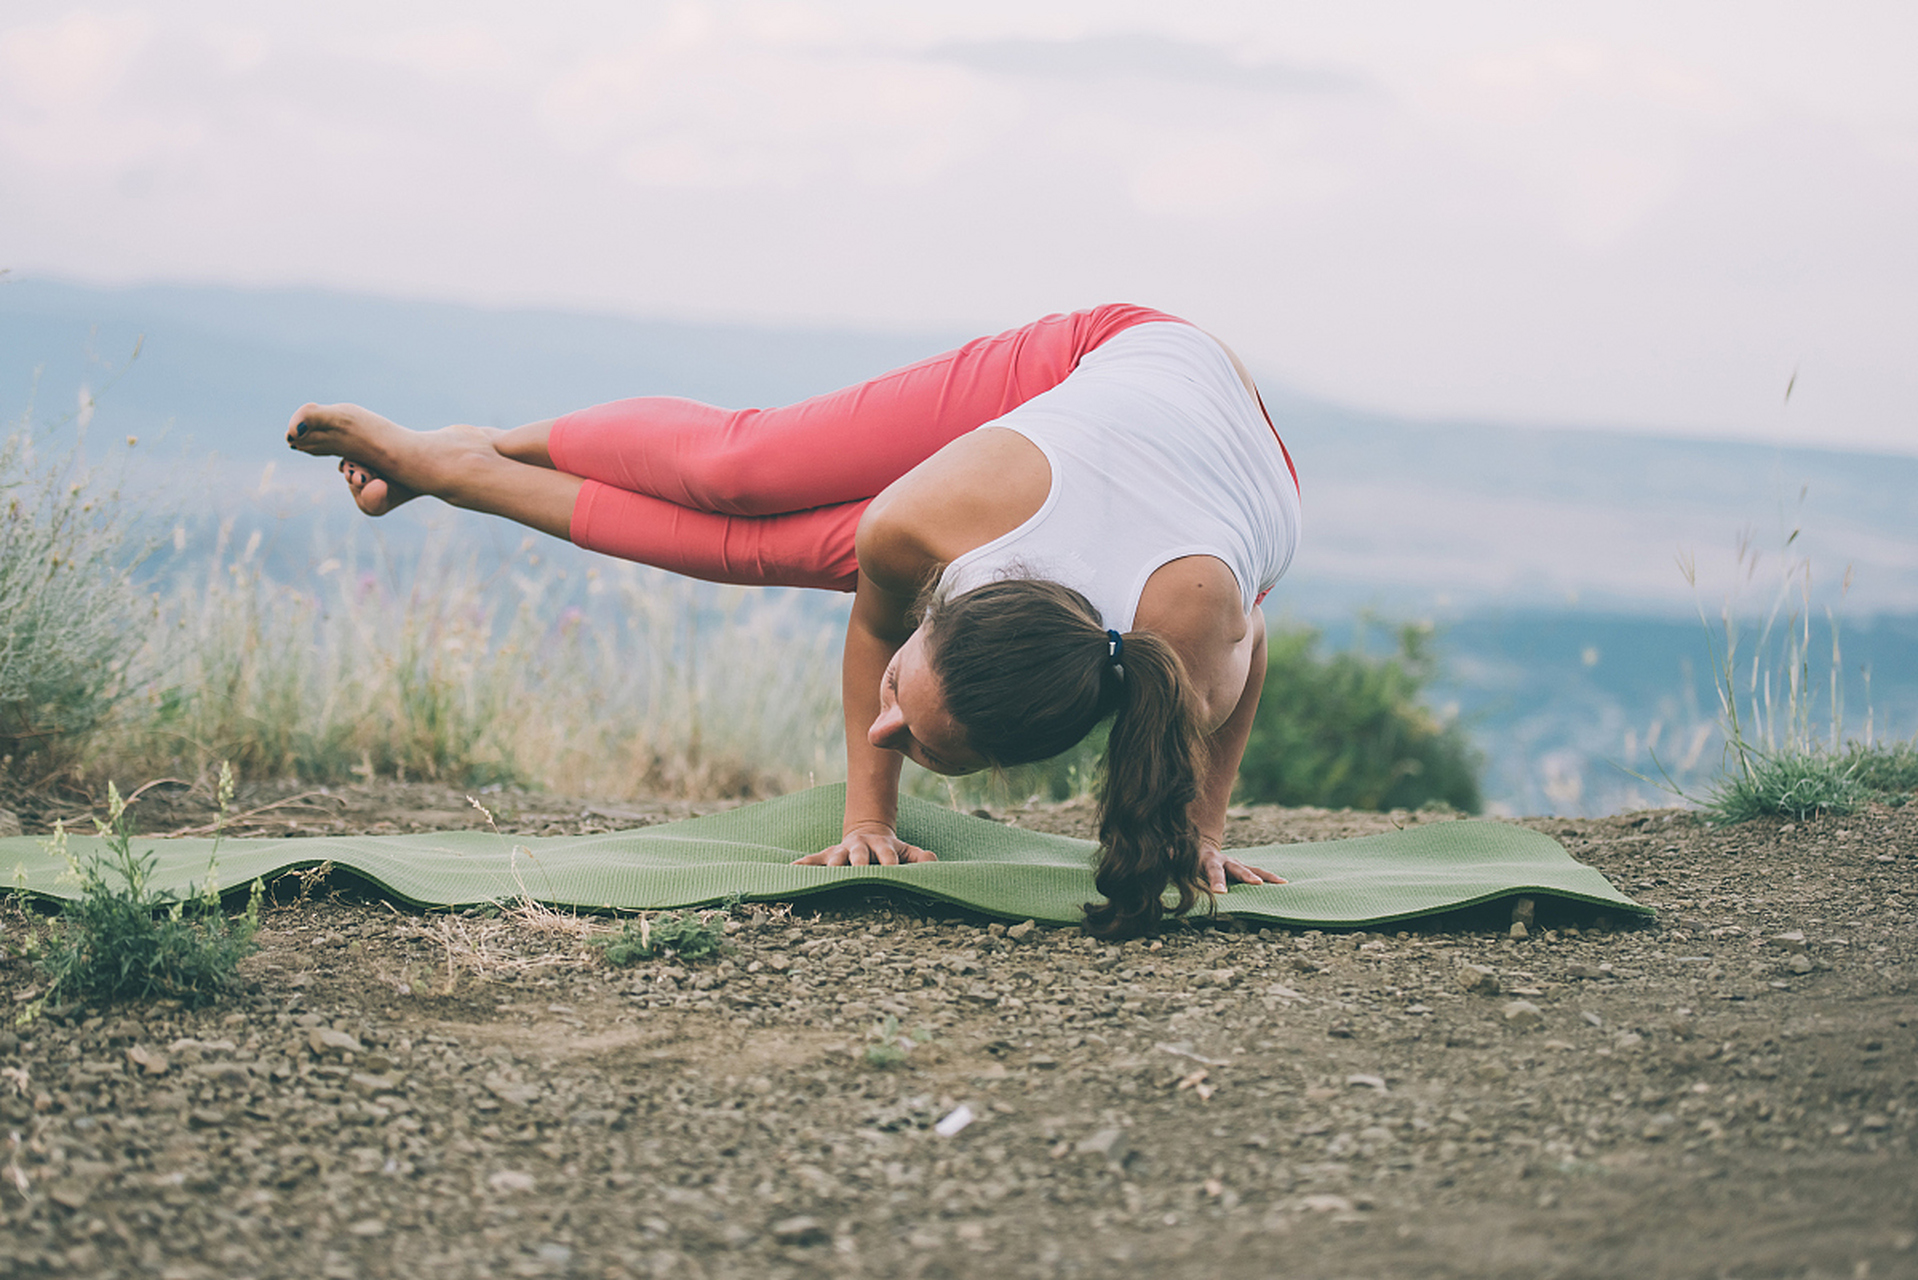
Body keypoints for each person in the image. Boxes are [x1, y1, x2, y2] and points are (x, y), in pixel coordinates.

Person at [285, 304, 1300, 936]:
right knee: (740, 474)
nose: (881, 727)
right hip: (1118, 359)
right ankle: (485, 444)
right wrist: (871, 815)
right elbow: (872, 633)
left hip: (1191, 461)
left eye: (908, 744)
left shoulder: (1186, 637)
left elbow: (1238, 670)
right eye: (904, 702)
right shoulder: (930, 520)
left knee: (760, 555)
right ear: (936, 611)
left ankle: (462, 479)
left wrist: (1199, 832)